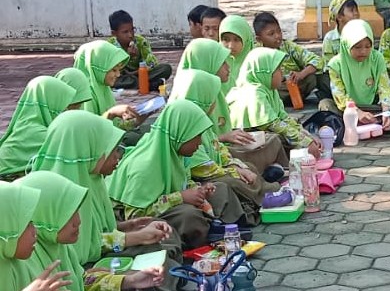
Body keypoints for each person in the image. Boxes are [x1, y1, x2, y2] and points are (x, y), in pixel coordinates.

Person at [32, 111, 177, 278]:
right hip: (81, 268)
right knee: (156, 259)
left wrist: (127, 226)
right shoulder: (58, 191)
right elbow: (82, 246)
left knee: (161, 243)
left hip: (98, 256)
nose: (118, 157)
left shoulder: (92, 178)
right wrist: (134, 237)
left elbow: (94, 230)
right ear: (88, 150)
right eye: (110, 150)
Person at [107, 100, 245, 249]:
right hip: (130, 220)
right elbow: (135, 215)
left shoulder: (176, 154)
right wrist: (180, 197)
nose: (199, 143)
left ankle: (221, 229)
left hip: (167, 204)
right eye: (196, 136)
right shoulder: (145, 166)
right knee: (188, 215)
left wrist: (198, 190)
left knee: (220, 190)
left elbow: (183, 182)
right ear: (181, 134)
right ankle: (204, 235)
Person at [20, 171, 164, 291]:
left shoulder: (58, 244)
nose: (78, 221)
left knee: (133, 289)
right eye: (68, 214)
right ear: (44, 216)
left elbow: (79, 280)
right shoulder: (27, 260)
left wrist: (130, 279)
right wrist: (134, 237)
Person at [170, 69, 277, 226]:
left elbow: (218, 148)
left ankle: (263, 193)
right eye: (212, 97)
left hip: (213, 170)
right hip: (202, 177)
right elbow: (201, 167)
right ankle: (263, 199)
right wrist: (235, 171)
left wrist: (236, 166)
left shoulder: (202, 120)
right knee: (230, 183)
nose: (215, 102)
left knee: (247, 166)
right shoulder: (184, 123)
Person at [178, 38, 289, 172]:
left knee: (272, 140)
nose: (228, 67)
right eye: (222, 63)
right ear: (207, 63)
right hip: (210, 157)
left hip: (223, 149)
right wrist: (225, 138)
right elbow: (194, 147)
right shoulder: (189, 101)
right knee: (245, 169)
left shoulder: (218, 90)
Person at [227, 48, 321, 158]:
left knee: (289, 136)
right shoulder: (254, 92)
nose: (282, 74)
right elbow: (274, 124)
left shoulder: (269, 90)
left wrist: (307, 136)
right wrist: (304, 141)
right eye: (278, 70)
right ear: (265, 71)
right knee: (277, 139)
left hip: (262, 135)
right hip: (245, 143)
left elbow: (284, 118)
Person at [319, 19, 390, 131]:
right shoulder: (335, 64)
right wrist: (357, 112)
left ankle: (381, 122)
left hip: (373, 107)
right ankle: (360, 124)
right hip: (348, 109)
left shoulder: (377, 58)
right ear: (346, 45)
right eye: (357, 47)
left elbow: (385, 87)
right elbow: (339, 95)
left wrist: (385, 112)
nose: (363, 51)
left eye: (368, 47)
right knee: (325, 105)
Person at [0, 76, 78, 180]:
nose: (65, 111)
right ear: (50, 103)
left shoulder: (25, 122)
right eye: (64, 106)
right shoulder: (37, 132)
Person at [74, 40, 145, 138]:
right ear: (98, 68)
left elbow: (115, 127)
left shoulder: (103, 88)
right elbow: (90, 135)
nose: (118, 74)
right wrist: (111, 113)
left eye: (119, 70)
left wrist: (138, 119)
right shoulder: (85, 94)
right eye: (114, 70)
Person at [254, 11, 322, 105]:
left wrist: (301, 74)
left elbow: (317, 60)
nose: (277, 36)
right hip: (275, 90)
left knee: (313, 77)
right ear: (259, 39)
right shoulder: (256, 54)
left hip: (295, 86)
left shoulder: (287, 46)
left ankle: (294, 98)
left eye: (279, 31)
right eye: (271, 34)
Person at [108, 10, 173, 92]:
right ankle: (149, 85)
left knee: (166, 68)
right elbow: (111, 70)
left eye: (132, 30)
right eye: (125, 32)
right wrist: (127, 56)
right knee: (111, 80)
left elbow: (152, 64)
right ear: (114, 33)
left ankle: (141, 83)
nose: (130, 35)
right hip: (122, 77)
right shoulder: (110, 46)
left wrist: (138, 69)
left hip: (141, 74)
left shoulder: (141, 42)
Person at [219, 14, 256, 93]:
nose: (231, 46)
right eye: (226, 39)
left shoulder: (256, 65)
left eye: (236, 40)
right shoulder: (214, 64)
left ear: (246, 39)